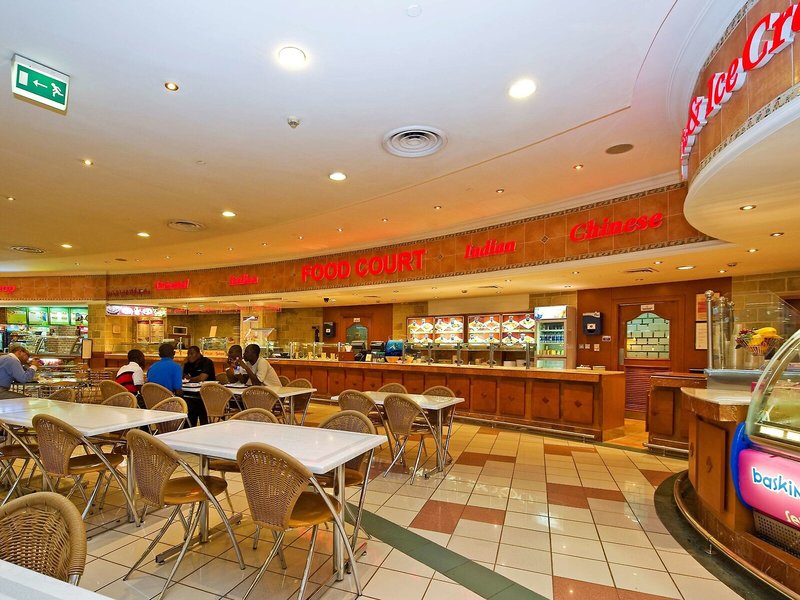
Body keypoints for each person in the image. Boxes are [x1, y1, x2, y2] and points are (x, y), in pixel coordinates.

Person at [182, 346, 215, 426]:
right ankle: (190, 426)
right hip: (191, 393)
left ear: (198, 354)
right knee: (188, 403)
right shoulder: (188, 364)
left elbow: (202, 377)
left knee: (199, 404)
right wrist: (183, 364)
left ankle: (203, 426)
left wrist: (189, 379)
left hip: (207, 394)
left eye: (191, 354)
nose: (189, 356)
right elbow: (181, 376)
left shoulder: (206, 362)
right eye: (188, 354)